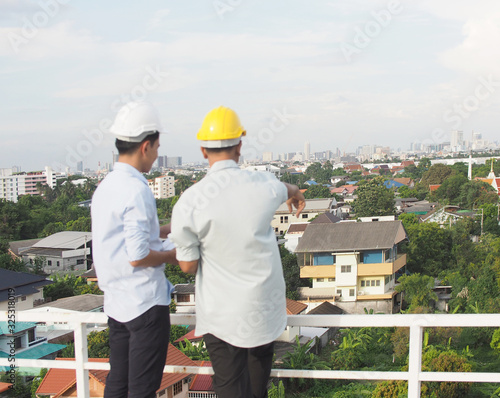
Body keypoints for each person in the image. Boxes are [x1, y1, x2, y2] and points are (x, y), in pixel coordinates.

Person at [170, 106, 306, 398]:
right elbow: (285, 187)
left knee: (230, 388)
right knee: (257, 390)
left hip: (222, 317)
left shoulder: (190, 201)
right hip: (262, 312)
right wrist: (295, 192)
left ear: (203, 151)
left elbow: (187, 266)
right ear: (240, 146)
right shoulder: (262, 183)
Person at [91, 101, 176, 398]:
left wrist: (162, 231)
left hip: (117, 305)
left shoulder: (106, 187)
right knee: (142, 389)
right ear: (145, 146)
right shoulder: (137, 188)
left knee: (119, 383)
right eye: (156, 147)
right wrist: (173, 255)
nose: (156, 154)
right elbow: (138, 255)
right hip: (144, 305)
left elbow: (122, 240)